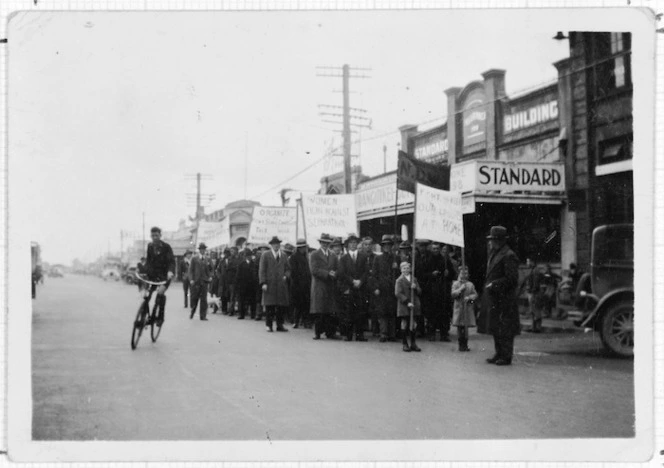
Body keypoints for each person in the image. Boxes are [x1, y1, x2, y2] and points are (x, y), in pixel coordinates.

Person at [482, 226, 521, 366]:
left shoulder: (509, 255)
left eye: (492, 240)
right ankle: (499, 353)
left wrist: (494, 284)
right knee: (496, 327)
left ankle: (506, 356)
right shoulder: (495, 253)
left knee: (505, 329)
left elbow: (512, 279)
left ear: (499, 240)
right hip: (495, 298)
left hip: (505, 299)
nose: (490, 242)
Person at [338, 234, 369, 342]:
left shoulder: (363, 256)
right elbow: (342, 273)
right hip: (349, 287)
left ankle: (360, 334)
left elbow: (366, 271)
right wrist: (352, 281)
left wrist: (360, 281)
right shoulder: (343, 258)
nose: (353, 245)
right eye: (351, 243)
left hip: (360, 287)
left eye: (355, 243)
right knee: (348, 311)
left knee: (360, 310)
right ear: (347, 245)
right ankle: (348, 334)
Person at [309, 233, 340, 340]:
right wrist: (327, 273)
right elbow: (314, 270)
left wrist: (335, 273)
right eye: (323, 242)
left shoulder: (333, 256)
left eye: (327, 243)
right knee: (319, 310)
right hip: (319, 286)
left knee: (330, 310)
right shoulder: (314, 254)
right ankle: (317, 332)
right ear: (320, 243)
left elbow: (337, 269)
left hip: (330, 286)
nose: (325, 244)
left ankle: (330, 332)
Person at [144, 227, 175, 326]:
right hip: (153, 276)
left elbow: (171, 262)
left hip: (165, 276)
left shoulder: (166, 247)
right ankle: (146, 316)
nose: (154, 238)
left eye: (156, 235)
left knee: (160, 295)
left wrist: (170, 272)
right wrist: (143, 271)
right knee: (146, 295)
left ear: (160, 235)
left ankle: (160, 318)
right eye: (152, 236)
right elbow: (148, 262)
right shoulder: (150, 246)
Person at [259, 236, 290, 332]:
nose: (276, 246)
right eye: (274, 244)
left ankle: (280, 325)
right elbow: (262, 270)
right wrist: (263, 282)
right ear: (271, 245)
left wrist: (286, 275)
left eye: (278, 244)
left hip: (281, 284)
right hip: (270, 284)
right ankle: (269, 325)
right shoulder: (265, 255)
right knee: (270, 306)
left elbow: (288, 269)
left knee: (281, 306)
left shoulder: (284, 255)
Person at [371, 235, 399, 343]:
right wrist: (376, 287)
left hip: (393, 288)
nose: (387, 247)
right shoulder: (378, 258)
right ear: (382, 246)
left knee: (392, 311)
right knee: (382, 312)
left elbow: (400, 274)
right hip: (382, 289)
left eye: (389, 245)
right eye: (385, 245)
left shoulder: (396, 258)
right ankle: (383, 333)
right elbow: (374, 275)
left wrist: (396, 268)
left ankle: (392, 334)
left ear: (392, 246)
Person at [394, 261, 422, 352]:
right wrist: (407, 302)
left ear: (410, 269)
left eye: (407, 268)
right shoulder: (399, 280)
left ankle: (413, 343)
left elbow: (419, 291)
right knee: (405, 322)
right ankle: (405, 343)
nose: (406, 270)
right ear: (401, 270)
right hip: (404, 305)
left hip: (414, 303)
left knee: (413, 323)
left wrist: (416, 288)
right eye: (404, 268)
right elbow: (398, 293)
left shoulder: (414, 279)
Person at [451, 266, 479, 352]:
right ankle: (460, 345)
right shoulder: (456, 283)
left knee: (466, 328)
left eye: (466, 273)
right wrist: (460, 289)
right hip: (459, 308)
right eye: (462, 273)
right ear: (459, 274)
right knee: (460, 327)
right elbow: (453, 294)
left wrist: (470, 298)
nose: (464, 275)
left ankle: (465, 344)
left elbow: (475, 295)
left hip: (467, 308)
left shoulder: (470, 284)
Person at [289, 238, 312, 329]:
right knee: (298, 304)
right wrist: (299, 281)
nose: (304, 249)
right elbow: (293, 272)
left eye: (304, 247)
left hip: (306, 284)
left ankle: (305, 321)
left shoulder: (306, 257)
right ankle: (296, 321)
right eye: (302, 247)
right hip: (297, 284)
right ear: (299, 248)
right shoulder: (294, 257)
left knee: (305, 304)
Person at [519, 257, 544, 333]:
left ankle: (537, 327)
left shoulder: (535, 271)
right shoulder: (533, 270)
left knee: (536, 310)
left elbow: (535, 284)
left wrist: (532, 291)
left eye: (528, 261)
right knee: (533, 310)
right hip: (532, 293)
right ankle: (534, 327)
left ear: (532, 262)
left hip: (534, 293)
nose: (527, 263)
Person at [188, 242, 211, 321]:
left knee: (204, 299)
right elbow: (190, 270)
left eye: (204, 249)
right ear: (199, 250)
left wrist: (210, 276)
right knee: (195, 298)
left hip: (204, 281)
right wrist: (191, 279)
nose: (203, 251)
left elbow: (211, 269)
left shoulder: (207, 259)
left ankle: (203, 316)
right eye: (201, 249)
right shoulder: (194, 258)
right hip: (196, 281)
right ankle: (192, 311)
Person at [361, 236, 379, 336]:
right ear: (363, 246)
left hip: (372, 285)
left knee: (374, 307)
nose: (368, 247)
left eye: (369, 245)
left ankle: (375, 329)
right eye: (366, 245)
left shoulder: (376, 257)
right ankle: (363, 327)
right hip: (363, 284)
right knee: (362, 306)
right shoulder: (360, 256)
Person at [235, 247, 258, 320]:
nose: (249, 257)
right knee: (242, 300)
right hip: (243, 285)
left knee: (252, 300)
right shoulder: (241, 264)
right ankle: (241, 314)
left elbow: (256, 275)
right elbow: (238, 275)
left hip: (252, 285)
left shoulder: (254, 264)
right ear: (245, 257)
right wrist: (238, 285)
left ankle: (253, 314)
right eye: (248, 256)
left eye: (250, 256)